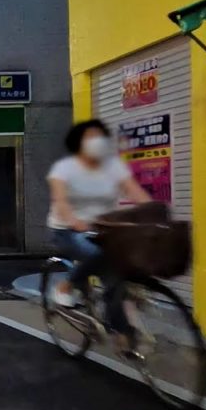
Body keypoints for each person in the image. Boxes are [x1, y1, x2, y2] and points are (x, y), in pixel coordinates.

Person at [47, 120, 152, 336]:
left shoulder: (113, 167)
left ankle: (121, 333)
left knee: (116, 272)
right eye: (89, 137)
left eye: (99, 136)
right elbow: (61, 201)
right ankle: (66, 286)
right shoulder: (64, 168)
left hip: (102, 230)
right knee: (99, 256)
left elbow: (135, 191)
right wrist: (74, 221)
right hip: (67, 230)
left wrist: (153, 210)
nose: (96, 141)